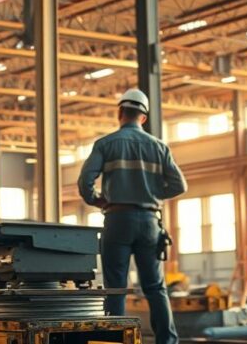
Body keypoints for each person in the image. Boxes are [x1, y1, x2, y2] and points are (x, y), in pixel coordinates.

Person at [78, 89, 187, 344]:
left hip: (117, 220)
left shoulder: (106, 144)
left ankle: (115, 340)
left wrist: (96, 199)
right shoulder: (159, 147)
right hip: (150, 222)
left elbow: (85, 181)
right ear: (144, 117)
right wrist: (152, 193)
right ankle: (167, 341)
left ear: (120, 113)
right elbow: (180, 185)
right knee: (155, 287)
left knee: (116, 286)